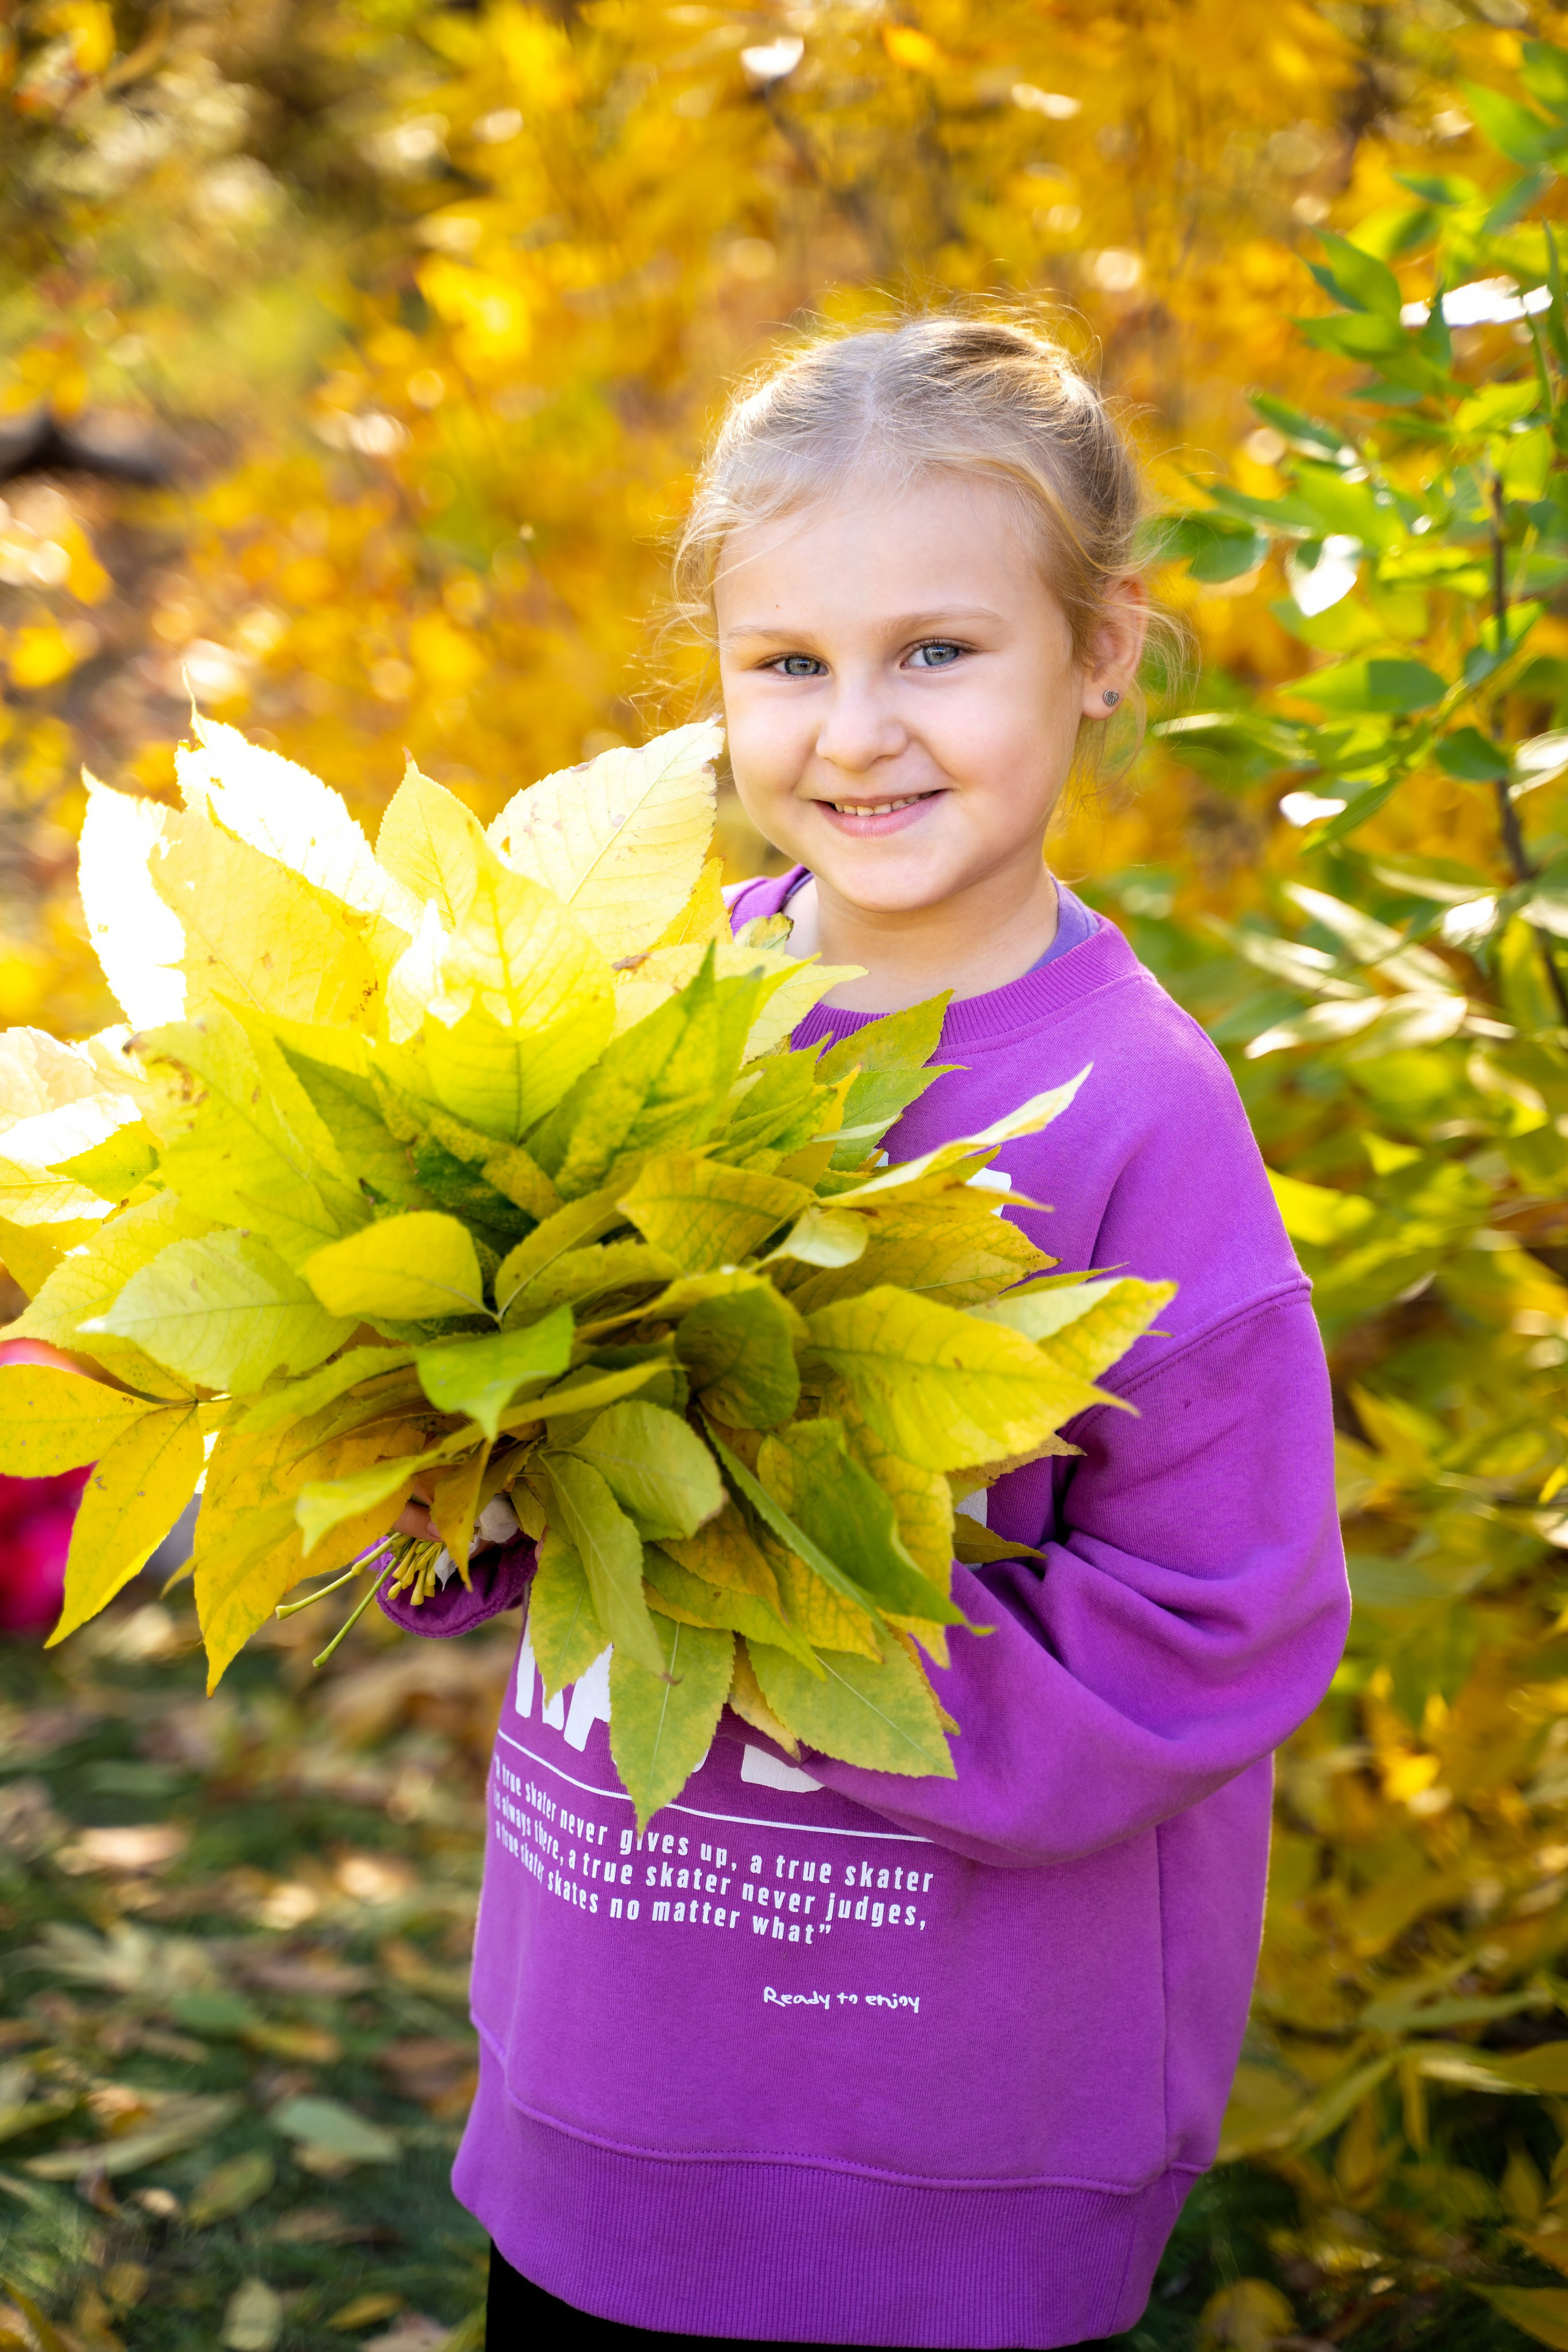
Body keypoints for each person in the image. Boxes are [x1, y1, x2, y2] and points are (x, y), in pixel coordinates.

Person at [384, 313, 1351, 2350]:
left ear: (1098, 653)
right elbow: (528, 1449)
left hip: (943, 2141)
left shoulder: (1137, 1114)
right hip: (607, 2082)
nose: (855, 733)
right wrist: (445, 1470)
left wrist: (790, 1614)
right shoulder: (643, 1015)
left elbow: (1219, 1623)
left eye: (938, 652)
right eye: (789, 665)